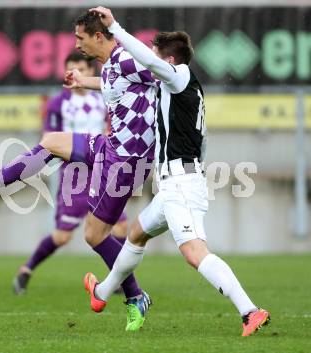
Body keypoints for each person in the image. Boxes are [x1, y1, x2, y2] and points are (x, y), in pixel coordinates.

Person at [81, 6, 270, 337]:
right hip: (176, 182)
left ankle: (249, 311)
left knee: (194, 252)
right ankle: (101, 293)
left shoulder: (178, 75)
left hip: (180, 184)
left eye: (154, 57)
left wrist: (118, 29)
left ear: (168, 61)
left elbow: (151, 64)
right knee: (136, 233)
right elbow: (202, 139)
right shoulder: (187, 89)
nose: (148, 63)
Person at [0, 11, 158, 331]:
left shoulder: (126, 58)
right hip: (110, 146)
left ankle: (135, 296)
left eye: (81, 37)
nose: (76, 44)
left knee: (95, 235)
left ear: (98, 36)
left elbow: (160, 72)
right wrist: (84, 81)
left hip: (127, 161)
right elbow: (116, 83)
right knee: (51, 142)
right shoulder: (111, 66)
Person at [13, 52, 129, 294]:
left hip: (103, 167)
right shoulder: (58, 103)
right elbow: (48, 139)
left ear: (90, 72)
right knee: (62, 236)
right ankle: (27, 269)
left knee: (119, 228)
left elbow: (114, 128)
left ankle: (116, 279)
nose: (74, 74)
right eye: (70, 69)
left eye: (80, 69)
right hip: (74, 174)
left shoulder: (103, 99)